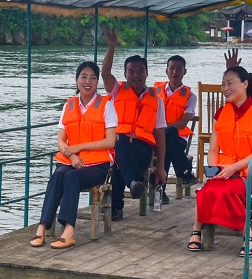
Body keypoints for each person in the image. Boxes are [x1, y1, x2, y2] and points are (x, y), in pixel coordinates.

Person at [187, 66, 252, 255]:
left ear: (245, 84)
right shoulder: (221, 113)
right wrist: (213, 168)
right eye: (223, 84)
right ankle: (196, 230)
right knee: (208, 189)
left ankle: (247, 234)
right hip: (224, 171)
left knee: (225, 191)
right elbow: (213, 149)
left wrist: (235, 167)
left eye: (230, 83)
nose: (225, 88)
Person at [32, 61, 117, 250]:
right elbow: (61, 141)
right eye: (83, 77)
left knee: (71, 176)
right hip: (73, 161)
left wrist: (78, 147)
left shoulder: (106, 105)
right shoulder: (69, 105)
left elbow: (110, 141)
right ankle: (42, 226)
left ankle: (69, 231)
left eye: (93, 78)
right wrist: (72, 156)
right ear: (77, 79)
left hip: (97, 165)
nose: (88, 82)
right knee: (59, 175)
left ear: (97, 82)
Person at [101, 28, 167, 222]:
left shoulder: (157, 100)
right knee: (120, 145)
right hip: (116, 147)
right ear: (125, 73)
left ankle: (117, 207)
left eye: (140, 71)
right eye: (131, 71)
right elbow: (105, 74)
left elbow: (160, 135)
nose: (136, 75)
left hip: (142, 149)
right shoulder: (117, 90)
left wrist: (161, 166)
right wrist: (112, 47)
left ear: (146, 73)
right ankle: (132, 183)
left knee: (122, 151)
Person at [153, 55, 197, 198]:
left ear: (185, 71)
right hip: (155, 136)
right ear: (166, 71)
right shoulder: (154, 91)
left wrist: (164, 129)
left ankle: (160, 191)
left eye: (179, 68)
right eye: (172, 68)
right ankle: (185, 172)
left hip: (178, 138)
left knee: (168, 137)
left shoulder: (190, 96)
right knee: (164, 140)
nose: (175, 72)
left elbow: (184, 122)